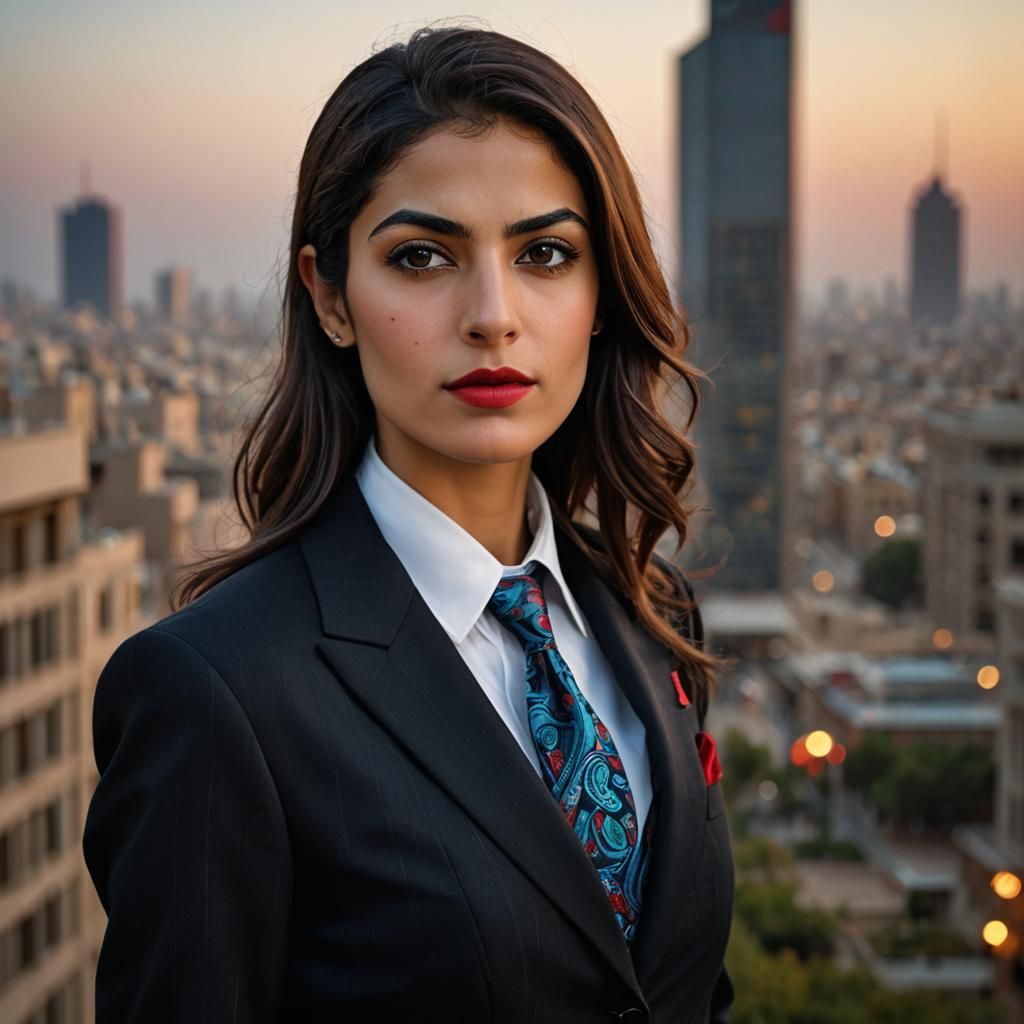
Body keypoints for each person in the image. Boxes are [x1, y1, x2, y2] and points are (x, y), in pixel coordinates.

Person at [82, 23, 734, 1024]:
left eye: (547, 253)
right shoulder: (219, 693)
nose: (492, 314)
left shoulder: (651, 615)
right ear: (330, 296)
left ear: (602, 294)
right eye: (422, 256)